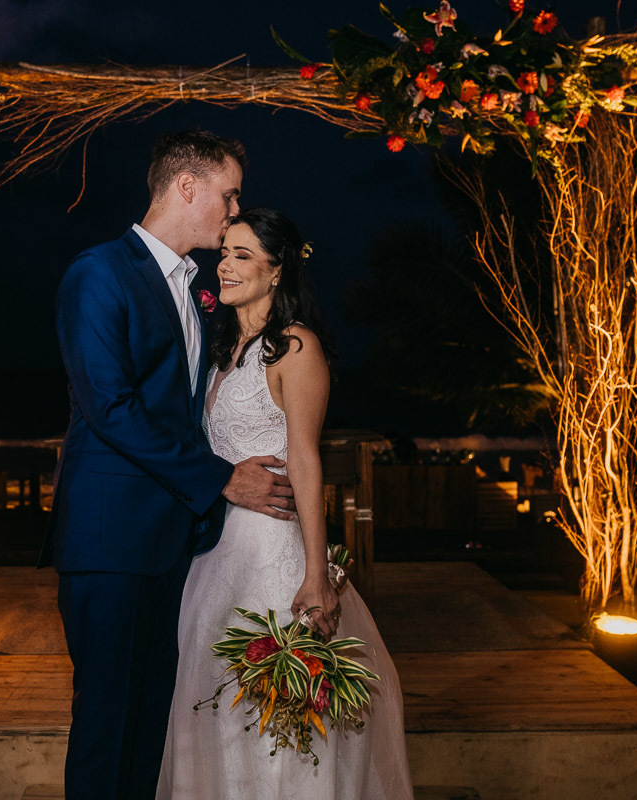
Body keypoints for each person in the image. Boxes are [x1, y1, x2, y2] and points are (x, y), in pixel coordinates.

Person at [41, 131, 296, 800]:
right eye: (229, 194)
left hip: (171, 543)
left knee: (151, 719)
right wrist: (223, 477)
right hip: (110, 542)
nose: (235, 210)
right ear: (188, 187)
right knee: (106, 722)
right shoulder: (97, 272)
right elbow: (112, 409)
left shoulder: (195, 290)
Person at [156, 209, 414, 799]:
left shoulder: (295, 347)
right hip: (214, 557)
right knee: (215, 708)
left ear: (277, 273)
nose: (224, 263)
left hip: (273, 557)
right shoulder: (222, 351)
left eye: (243, 255)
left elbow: (305, 460)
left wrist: (317, 574)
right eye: (224, 251)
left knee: (284, 718)